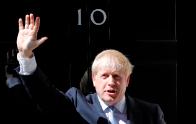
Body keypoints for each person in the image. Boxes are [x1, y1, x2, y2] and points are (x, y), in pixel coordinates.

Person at [14, 13, 166, 124]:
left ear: (127, 80)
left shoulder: (151, 113)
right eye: (104, 76)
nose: (111, 82)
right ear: (93, 79)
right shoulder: (77, 103)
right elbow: (46, 97)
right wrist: (26, 55)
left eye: (117, 76)